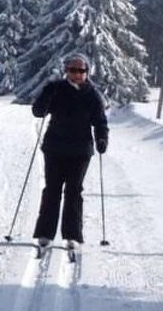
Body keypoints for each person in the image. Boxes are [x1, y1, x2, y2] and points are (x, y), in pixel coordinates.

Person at [30, 52, 108, 246]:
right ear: (66, 71)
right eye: (73, 70)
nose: (77, 74)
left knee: (74, 191)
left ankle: (72, 235)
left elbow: (100, 121)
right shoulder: (56, 89)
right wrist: (46, 94)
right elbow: (38, 111)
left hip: (80, 151)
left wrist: (101, 139)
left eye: (81, 70)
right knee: (52, 190)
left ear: (87, 73)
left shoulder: (92, 95)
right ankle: (45, 234)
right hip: (55, 147)